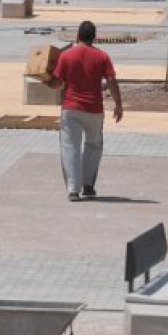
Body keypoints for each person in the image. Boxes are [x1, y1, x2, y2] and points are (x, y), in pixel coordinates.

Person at [48, 21, 123, 202]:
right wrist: (118, 104)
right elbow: (112, 80)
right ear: (94, 37)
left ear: (77, 36)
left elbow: (57, 83)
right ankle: (88, 186)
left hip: (71, 109)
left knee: (70, 147)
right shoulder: (102, 56)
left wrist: (45, 81)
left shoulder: (66, 56)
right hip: (94, 110)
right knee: (93, 145)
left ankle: (73, 189)